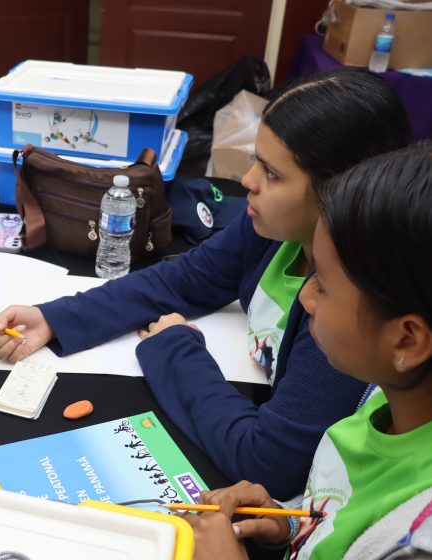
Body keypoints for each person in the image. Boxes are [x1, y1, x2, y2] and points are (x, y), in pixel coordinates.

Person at [0, 68, 412, 500]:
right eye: (254, 162)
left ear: (342, 193)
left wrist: (176, 348)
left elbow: (270, 465)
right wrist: (56, 318)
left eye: (272, 173)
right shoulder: (274, 232)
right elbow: (185, 279)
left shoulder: (347, 313)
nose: (247, 182)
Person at [184, 143, 432, 560]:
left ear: (407, 340)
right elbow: (350, 517)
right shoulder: (386, 401)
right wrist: (294, 524)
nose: (306, 298)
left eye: (324, 285)